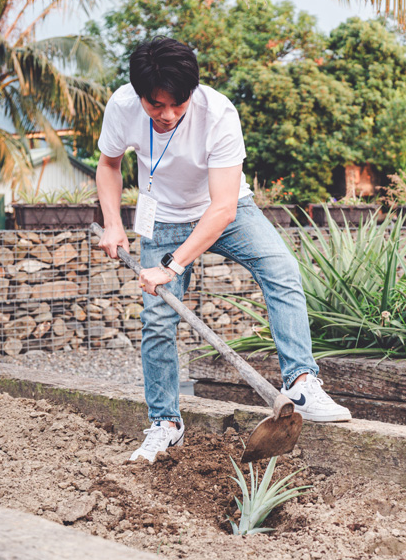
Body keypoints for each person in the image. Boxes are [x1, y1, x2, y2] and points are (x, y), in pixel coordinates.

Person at [96, 37, 351, 463]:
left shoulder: (218, 113)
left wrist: (172, 267)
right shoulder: (121, 107)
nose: (169, 115)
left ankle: (302, 383)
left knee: (281, 268)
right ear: (139, 94)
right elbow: (109, 164)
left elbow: (223, 208)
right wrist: (112, 223)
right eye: (156, 105)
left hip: (226, 209)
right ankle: (165, 423)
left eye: (178, 103)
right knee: (158, 320)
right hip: (161, 219)